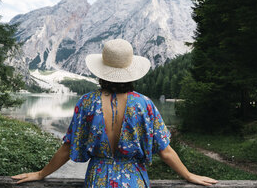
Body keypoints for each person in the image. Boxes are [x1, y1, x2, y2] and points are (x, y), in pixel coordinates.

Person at [12, 39, 218, 187]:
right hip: (134, 180)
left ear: (101, 71)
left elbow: (67, 148)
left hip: (97, 179)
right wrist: (188, 175)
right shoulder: (144, 104)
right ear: (131, 72)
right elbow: (165, 151)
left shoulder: (87, 103)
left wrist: (41, 174)